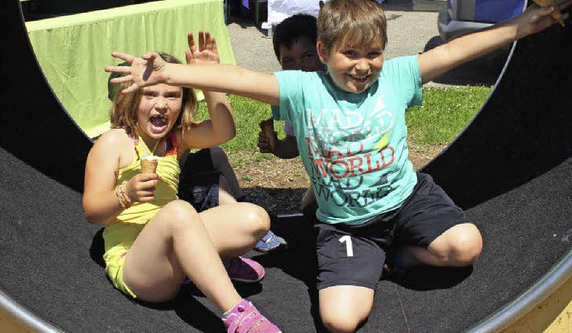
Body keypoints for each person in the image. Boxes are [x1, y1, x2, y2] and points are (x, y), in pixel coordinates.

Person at [106, 1, 569, 331]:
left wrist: (521, 26)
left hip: (406, 200)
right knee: (340, 320)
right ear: (324, 53)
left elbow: (451, 53)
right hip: (348, 225)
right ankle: (383, 255)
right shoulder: (303, 90)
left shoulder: (397, 77)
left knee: (466, 245)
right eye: (351, 54)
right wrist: (172, 74)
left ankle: (402, 255)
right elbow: (240, 78)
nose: (364, 66)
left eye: (373, 53)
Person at [84, 32, 281, 332]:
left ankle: (201, 266)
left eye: (171, 96)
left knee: (256, 219)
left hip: (173, 245)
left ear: (183, 102)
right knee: (179, 211)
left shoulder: (178, 140)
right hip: (137, 264)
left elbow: (224, 131)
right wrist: (126, 193)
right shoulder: (114, 142)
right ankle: (239, 315)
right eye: (150, 94)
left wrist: (209, 76)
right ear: (133, 98)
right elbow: (92, 211)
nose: (161, 105)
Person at [257, 13, 325, 219]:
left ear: (323, 52)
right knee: (308, 208)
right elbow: (294, 145)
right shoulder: (293, 97)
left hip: (353, 172)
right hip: (324, 177)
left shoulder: (338, 86)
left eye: (307, 56)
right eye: (288, 60)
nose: (298, 67)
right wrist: (276, 146)